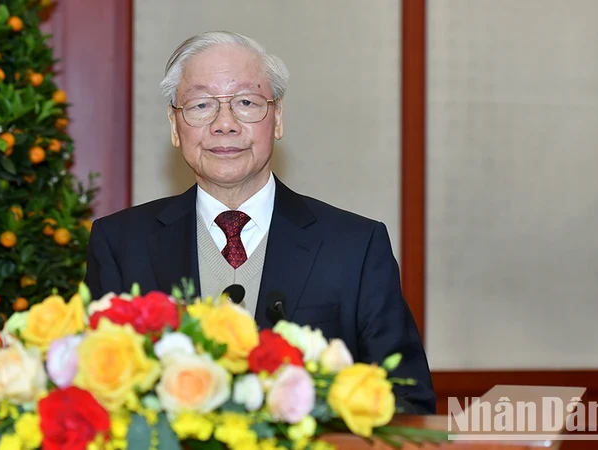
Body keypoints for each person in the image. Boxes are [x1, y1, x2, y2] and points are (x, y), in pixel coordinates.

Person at [85, 31, 435, 414]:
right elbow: (94, 395)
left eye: (246, 102)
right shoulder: (120, 243)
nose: (225, 124)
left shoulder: (356, 246)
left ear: (278, 119)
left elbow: (408, 400)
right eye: (202, 105)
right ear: (174, 125)